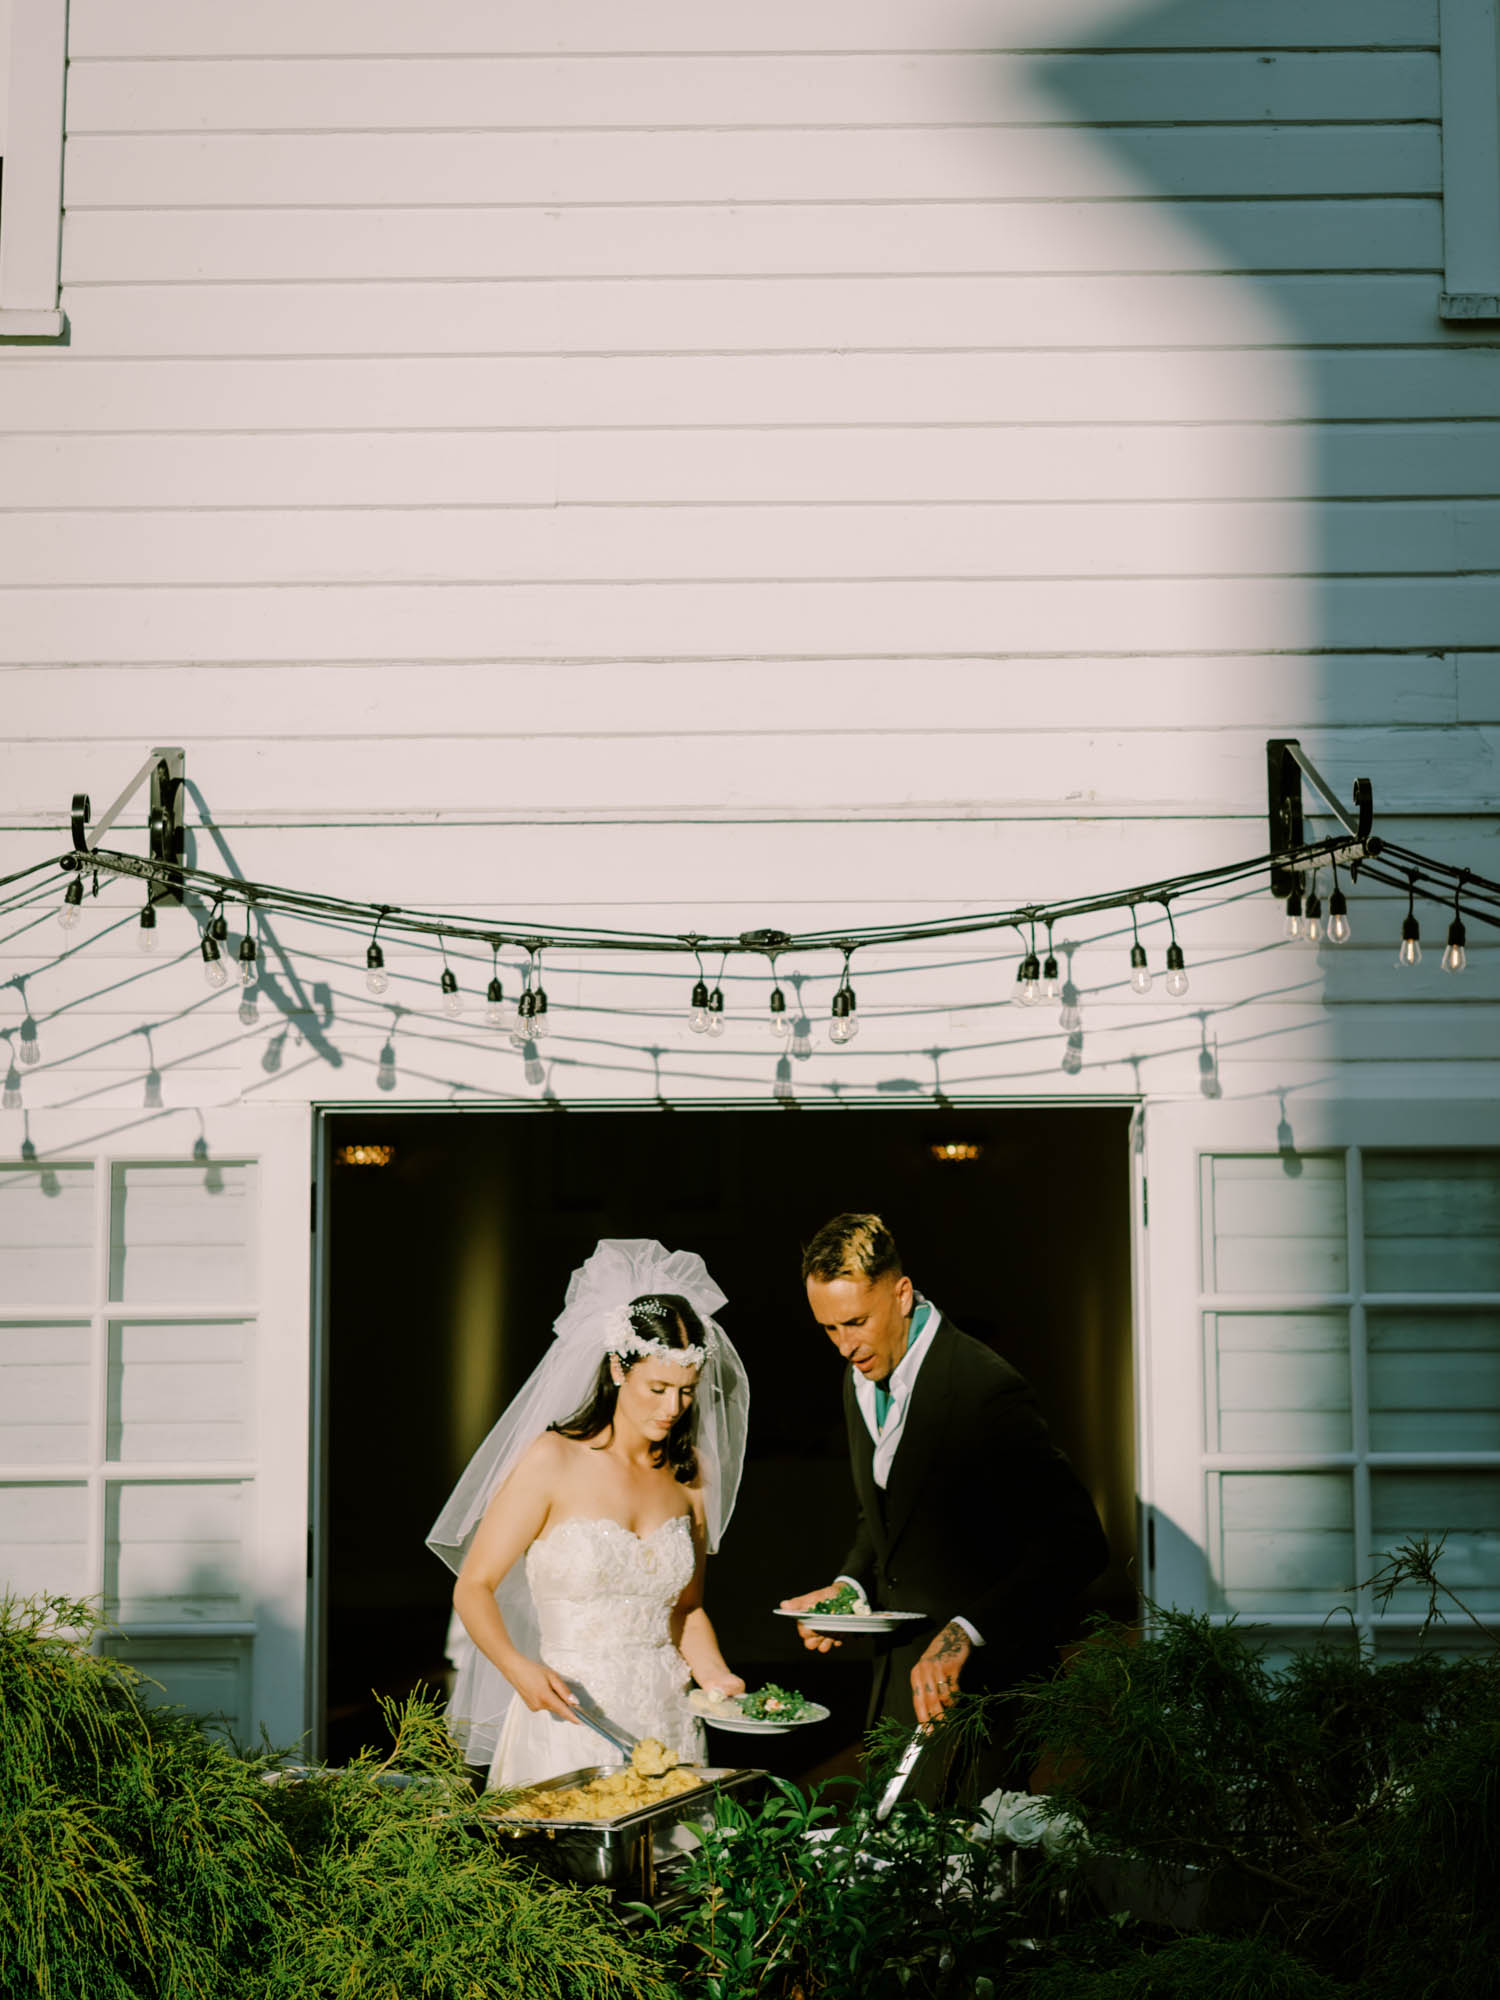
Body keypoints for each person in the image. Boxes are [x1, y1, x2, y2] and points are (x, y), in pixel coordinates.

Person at [780, 1212, 1107, 1795]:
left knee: (966, 1878)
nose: (845, 1346)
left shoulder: (986, 1388)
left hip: (982, 1693)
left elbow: (1078, 1541)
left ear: (901, 1294)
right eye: (828, 1329)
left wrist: (965, 1632)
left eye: (855, 1322)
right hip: (896, 1689)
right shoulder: (862, 1374)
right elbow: (883, 1517)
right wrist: (850, 1589)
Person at [428, 1239, 749, 1790]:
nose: (672, 1409)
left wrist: (718, 1677)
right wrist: (515, 1666)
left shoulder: (691, 1473)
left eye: (687, 1393)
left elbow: (687, 1608)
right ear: (619, 1370)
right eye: (658, 1388)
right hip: (566, 1716)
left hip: (668, 1725)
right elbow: (474, 1586)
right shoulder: (551, 1460)